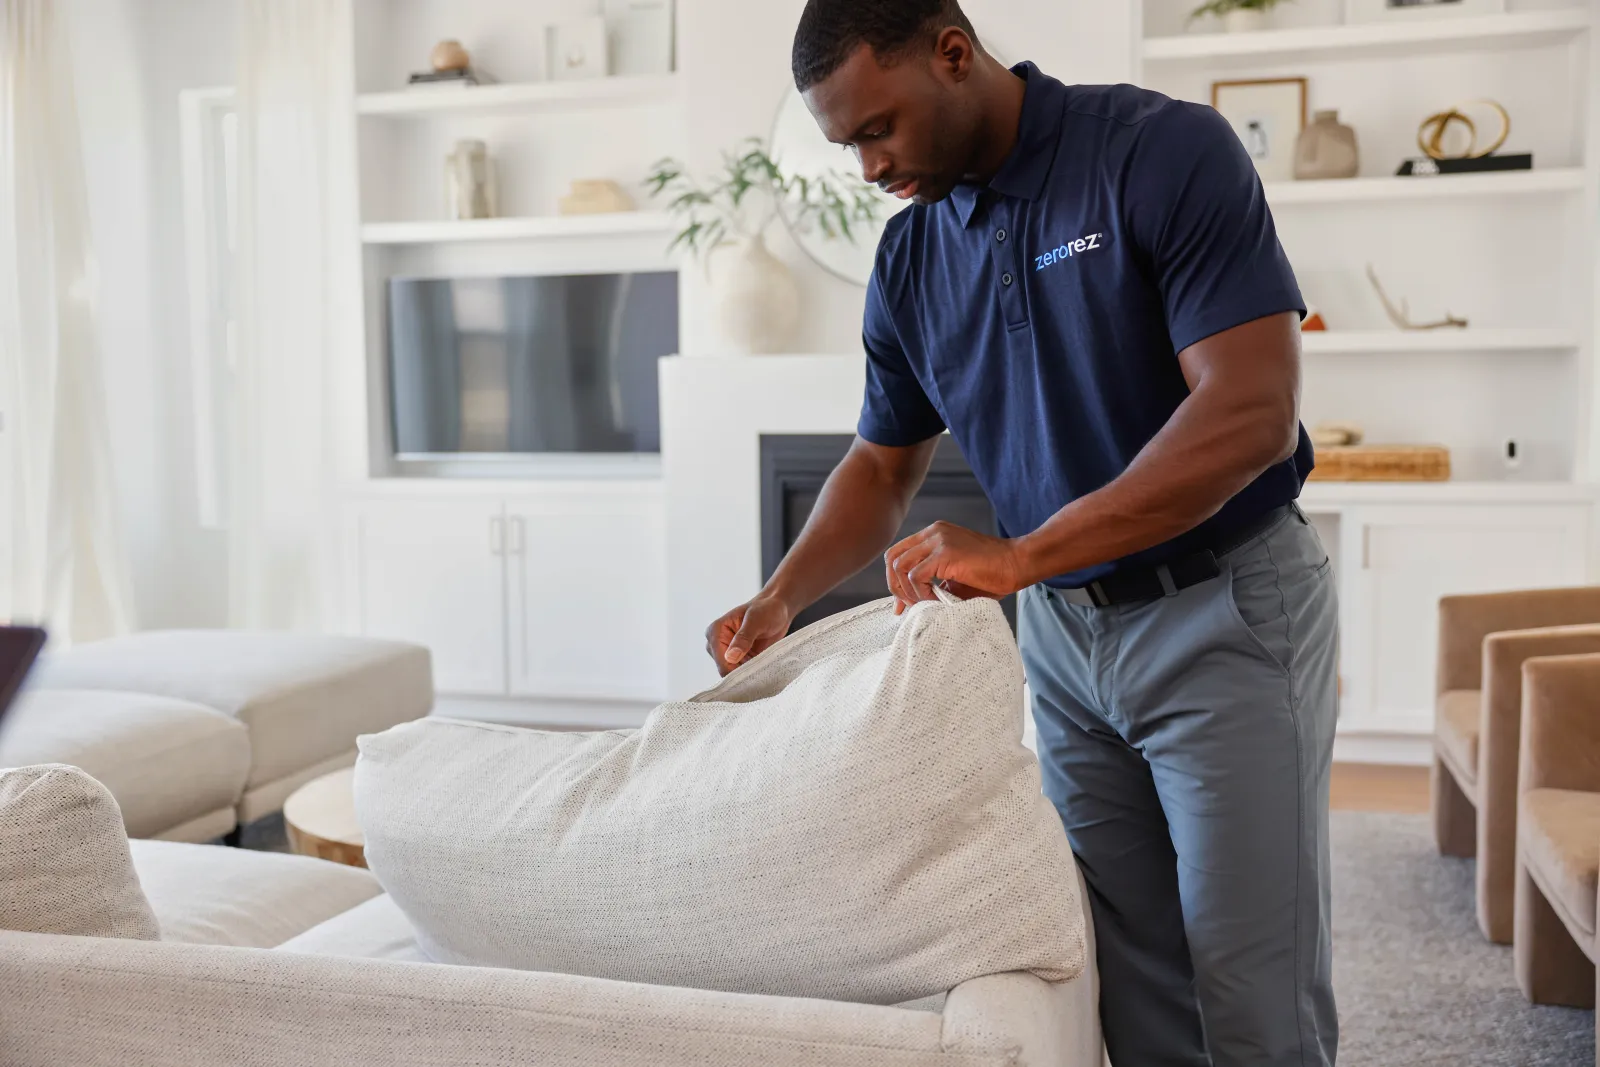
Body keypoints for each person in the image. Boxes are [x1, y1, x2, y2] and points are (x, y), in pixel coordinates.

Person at [703, 2, 1339, 1065]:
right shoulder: (910, 258)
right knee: (1131, 977)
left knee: (1250, 987)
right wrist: (781, 595)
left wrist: (1020, 557)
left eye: (878, 129)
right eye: (847, 145)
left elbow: (1249, 412)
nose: (868, 168)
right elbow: (881, 464)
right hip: (1064, 646)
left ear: (953, 54)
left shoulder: (1159, 152)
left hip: (1224, 609)